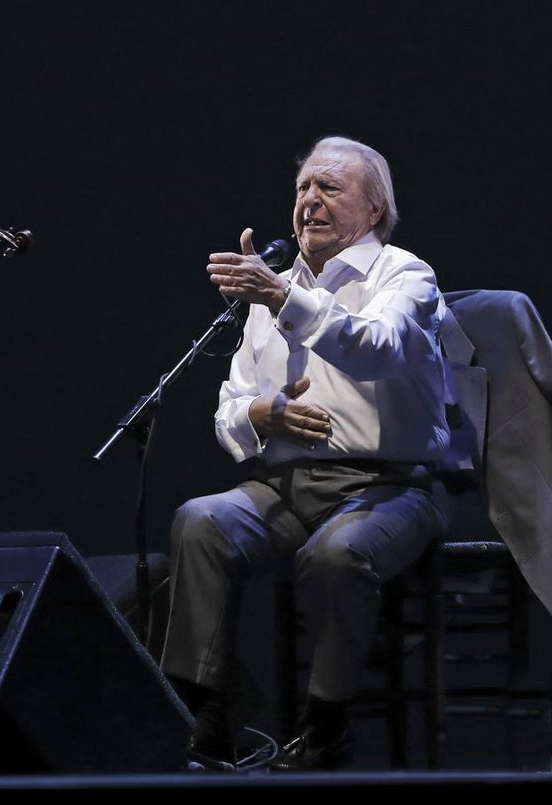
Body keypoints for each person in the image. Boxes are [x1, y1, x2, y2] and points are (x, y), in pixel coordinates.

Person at [158, 135, 452, 772]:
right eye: (302, 188)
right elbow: (230, 406)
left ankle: (326, 725)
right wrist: (261, 415)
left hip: (394, 486)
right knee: (200, 522)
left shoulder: (404, 274)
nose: (309, 202)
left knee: (337, 555)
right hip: (288, 486)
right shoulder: (275, 289)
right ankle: (203, 721)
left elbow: (378, 347)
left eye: (330, 188)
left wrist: (283, 299)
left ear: (373, 210)